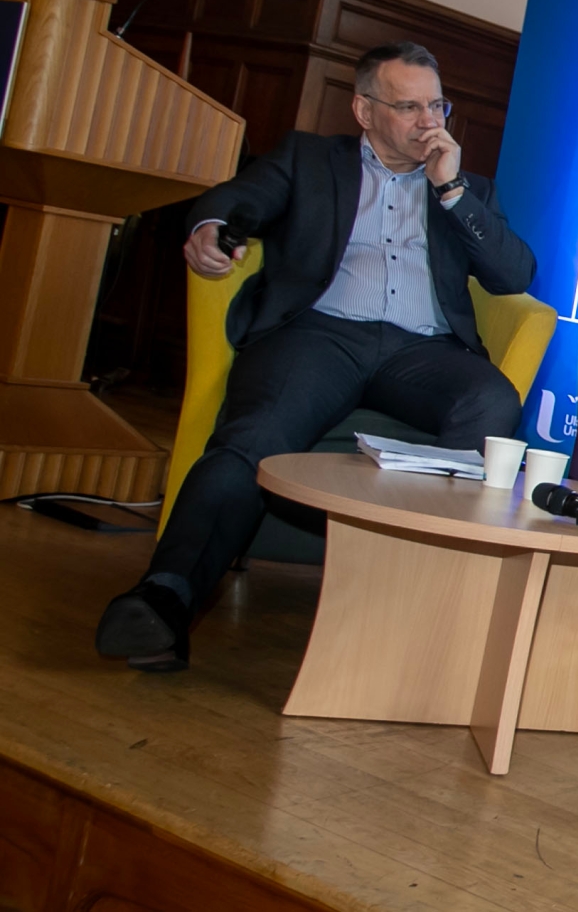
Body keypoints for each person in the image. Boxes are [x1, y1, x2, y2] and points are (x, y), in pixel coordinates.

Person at [95, 42, 536, 673]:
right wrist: (208, 229)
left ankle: (418, 605)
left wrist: (452, 191)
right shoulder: (309, 159)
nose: (428, 122)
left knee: (491, 399)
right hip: (318, 336)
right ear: (364, 110)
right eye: (408, 107)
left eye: (437, 106)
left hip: (423, 349)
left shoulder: (467, 187)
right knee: (253, 439)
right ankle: (164, 599)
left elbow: (514, 275)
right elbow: (235, 200)